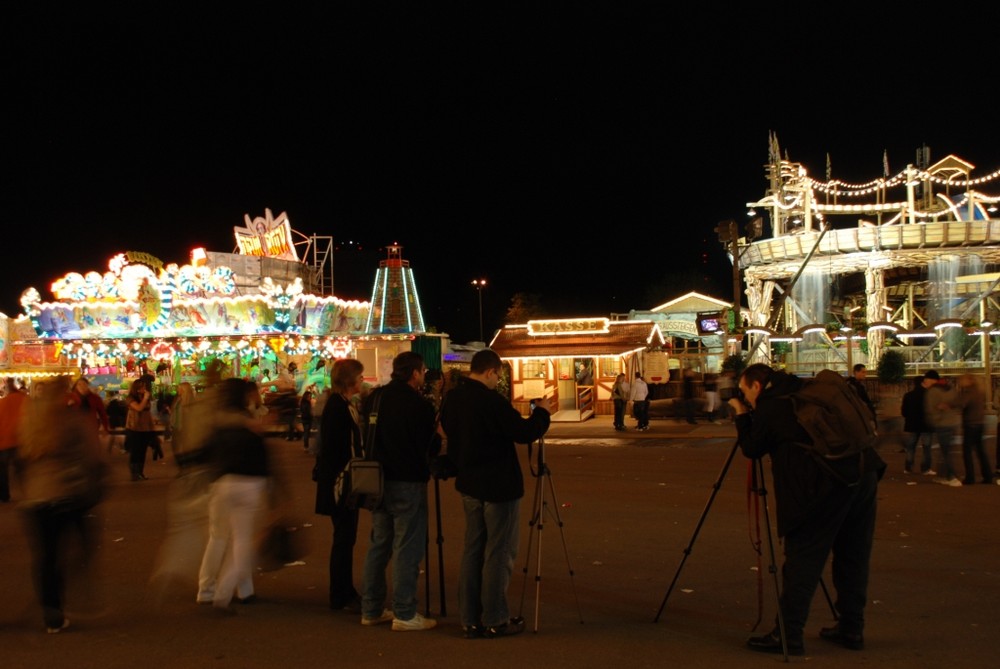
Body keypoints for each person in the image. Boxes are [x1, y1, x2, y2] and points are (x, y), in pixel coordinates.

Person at [729, 363, 885, 656]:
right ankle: (851, 628)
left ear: (757, 386)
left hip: (823, 487)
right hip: (863, 474)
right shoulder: (806, 391)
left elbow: (752, 448)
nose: (745, 396)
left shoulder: (773, 407)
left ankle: (788, 635)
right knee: (853, 555)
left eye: (744, 391)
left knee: (804, 559)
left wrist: (740, 414)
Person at [439, 348, 551, 639]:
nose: (498, 380)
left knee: (473, 550)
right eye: (498, 375)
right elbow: (524, 432)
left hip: (469, 484)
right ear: (490, 371)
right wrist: (542, 413)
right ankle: (495, 618)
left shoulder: (453, 399)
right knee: (498, 553)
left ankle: (469, 619)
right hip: (499, 486)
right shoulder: (492, 401)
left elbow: (449, 433)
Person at [16, 377, 109, 633]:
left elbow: (22, 460)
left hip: (36, 499)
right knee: (81, 545)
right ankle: (81, 593)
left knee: (45, 557)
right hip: (67, 496)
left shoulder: (31, 424)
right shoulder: (71, 421)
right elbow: (92, 457)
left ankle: (51, 612)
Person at [358, 351, 438, 631]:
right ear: (415, 373)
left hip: (377, 480)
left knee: (379, 544)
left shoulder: (375, 398)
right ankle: (404, 612)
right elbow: (428, 445)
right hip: (408, 480)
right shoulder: (418, 405)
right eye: (423, 372)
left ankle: (371, 608)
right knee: (407, 546)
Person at [196, 378, 273, 611]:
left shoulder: (217, 421)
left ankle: (205, 590)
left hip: (221, 483)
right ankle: (234, 590)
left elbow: (204, 453)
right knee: (242, 540)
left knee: (217, 537)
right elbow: (263, 457)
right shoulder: (249, 423)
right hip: (249, 483)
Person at [315, 358, 365, 612]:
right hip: (341, 482)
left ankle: (345, 590)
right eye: (360, 376)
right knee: (344, 538)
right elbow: (336, 449)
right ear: (350, 381)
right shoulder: (338, 406)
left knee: (346, 537)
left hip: (343, 479)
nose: (362, 381)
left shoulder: (342, 404)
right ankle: (340, 594)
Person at [924, 372, 963, 487]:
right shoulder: (950, 388)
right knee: (945, 450)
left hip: (942, 424)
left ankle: (951, 477)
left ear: (932, 380)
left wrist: (935, 420)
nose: (925, 382)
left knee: (945, 452)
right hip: (953, 423)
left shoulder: (933, 391)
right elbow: (957, 403)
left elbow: (930, 410)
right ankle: (942, 476)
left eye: (927, 380)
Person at [956, 374, 994, 485]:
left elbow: (962, 404)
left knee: (967, 452)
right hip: (979, 423)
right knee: (980, 451)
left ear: (969, 381)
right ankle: (987, 476)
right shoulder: (979, 391)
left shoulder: (968, 392)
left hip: (971, 424)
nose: (960, 382)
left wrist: (950, 404)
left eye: (962, 380)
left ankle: (970, 477)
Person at [901, 372, 937, 475]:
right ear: (923, 382)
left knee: (911, 447)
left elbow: (904, 412)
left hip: (912, 425)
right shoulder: (929, 395)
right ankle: (925, 468)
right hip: (926, 425)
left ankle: (908, 467)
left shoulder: (908, 395)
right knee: (926, 448)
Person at [0, 377, 29, 502]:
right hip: (21, 439)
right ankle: (27, 493)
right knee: (22, 470)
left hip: (4, 441)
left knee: (3, 471)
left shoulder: (3, 402)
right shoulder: (25, 400)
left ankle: (4, 495)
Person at [124, 377, 158, 481]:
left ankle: (140, 472)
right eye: (142, 387)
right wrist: (145, 399)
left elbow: (147, 413)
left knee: (142, 451)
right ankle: (135, 473)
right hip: (134, 428)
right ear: (137, 388)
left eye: (144, 387)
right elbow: (138, 408)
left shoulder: (145, 398)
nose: (144, 389)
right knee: (135, 452)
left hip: (145, 428)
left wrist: (152, 425)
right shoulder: (131, 398)